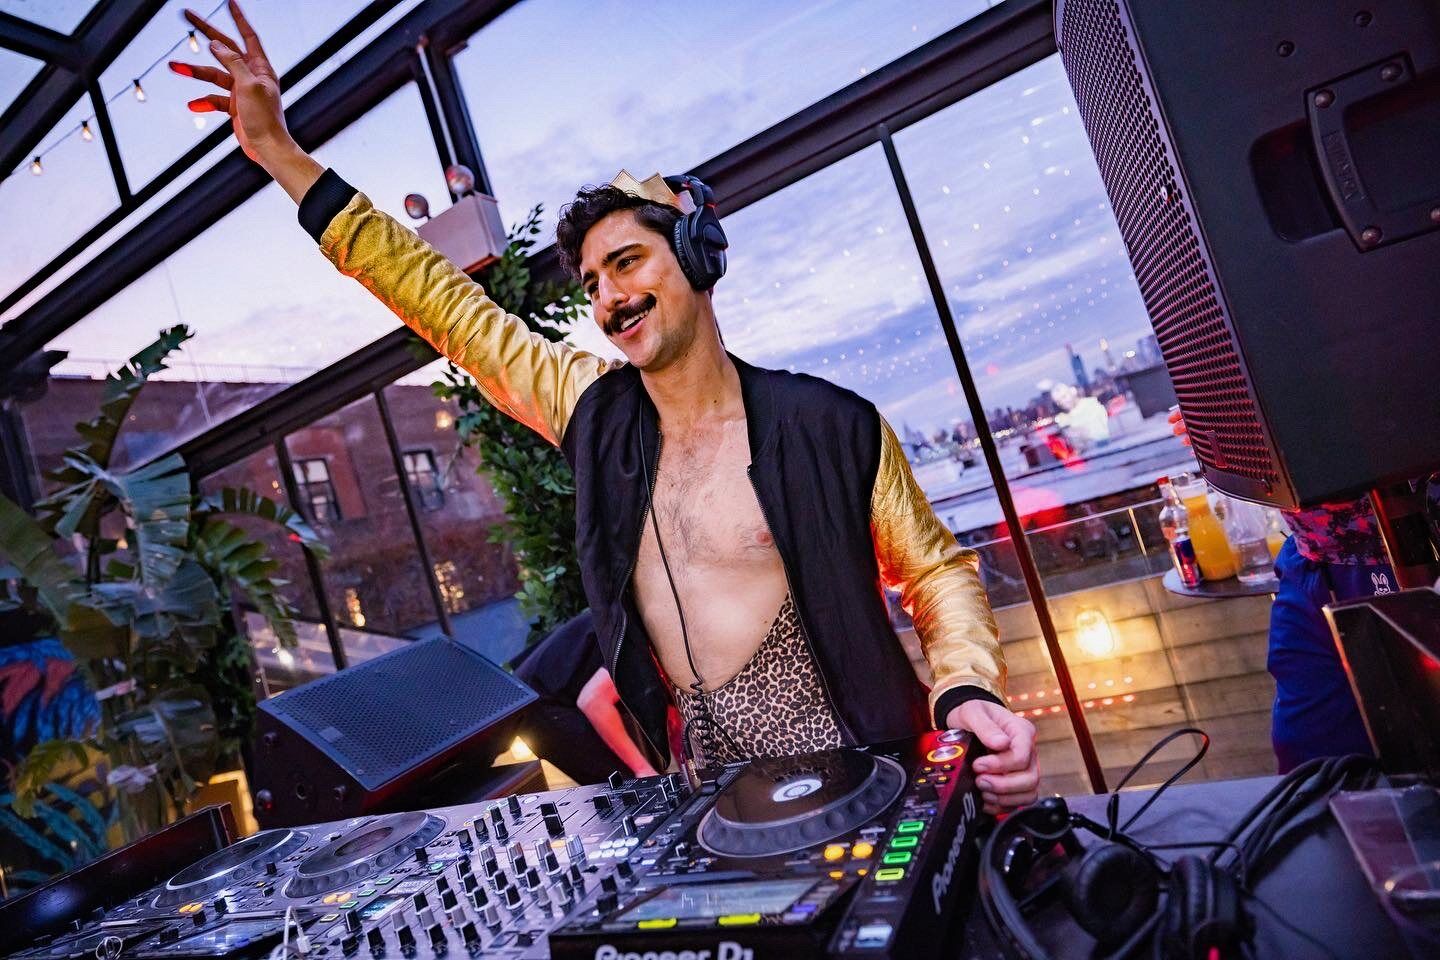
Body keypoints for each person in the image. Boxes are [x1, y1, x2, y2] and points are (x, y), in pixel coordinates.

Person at [174, 1, 1039, 813]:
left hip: (874, 785)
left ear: (697, 258)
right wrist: (281, 154)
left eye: (626, 263)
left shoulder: (832, 427)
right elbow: (443, 303)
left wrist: (966, 690)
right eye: (591, 282)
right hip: (714, 811)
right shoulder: (590, 410)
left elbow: (935, 571)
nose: (609, 297)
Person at [1166, 408, 1394, 771]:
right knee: (1306, 750)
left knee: (1414, 718)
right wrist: (1216, 416)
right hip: (1310, 554)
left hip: (1395, 547)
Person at [511, 610, 659, 784]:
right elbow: (593, 701)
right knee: (628, 781)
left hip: (557, 690)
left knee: (645, 771)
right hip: (539, 702)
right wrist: (641, 769)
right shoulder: (635, 640)